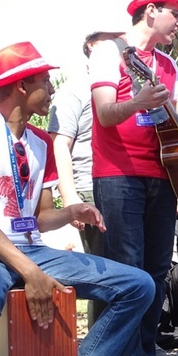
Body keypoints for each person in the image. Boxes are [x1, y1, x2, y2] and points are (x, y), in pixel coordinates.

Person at [0, 42, 156, 356]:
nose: (51, 87)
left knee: (138, 285)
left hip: (31, 249)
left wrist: (71, 212)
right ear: (20, 86)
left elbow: (40, 217)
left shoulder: (41, 143)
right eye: (44, 80)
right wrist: (29, 272)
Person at [88, 0, 178, 356]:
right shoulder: (110, 51)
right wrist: (138, 103)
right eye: (175, 13)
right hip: (118, 174)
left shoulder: (168, 64)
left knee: (156, 270)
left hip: (165, 172)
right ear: (150, 11)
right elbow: (106, 114)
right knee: (127, 269)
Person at [47, 31, 120, 330]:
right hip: (90, 187)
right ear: (92, 45)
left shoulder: (124, 85)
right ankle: (103, 348)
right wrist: (71, 200)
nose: (118, 44)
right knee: (104, 271)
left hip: (123, 185)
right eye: (110, 39)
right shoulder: (75, 90)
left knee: (131, 268)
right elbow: (59, 145)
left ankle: (137, 344)